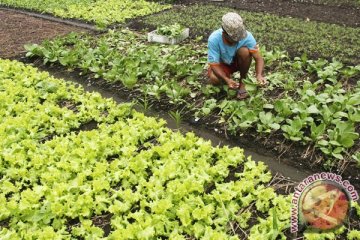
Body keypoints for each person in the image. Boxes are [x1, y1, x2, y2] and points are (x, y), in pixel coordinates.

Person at [207, 12, 267, 99]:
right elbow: (214, 65)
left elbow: (258, 58)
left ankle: (243, 81)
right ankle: (227, 79)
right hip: (222, 63)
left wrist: (259, 75)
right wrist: (227, 80)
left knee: (244, 51)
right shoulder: (214, 39)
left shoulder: (248, 36)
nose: (238, 39)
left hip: (237, 62)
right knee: (214, 79)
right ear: (224, 34)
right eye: (234, 38)